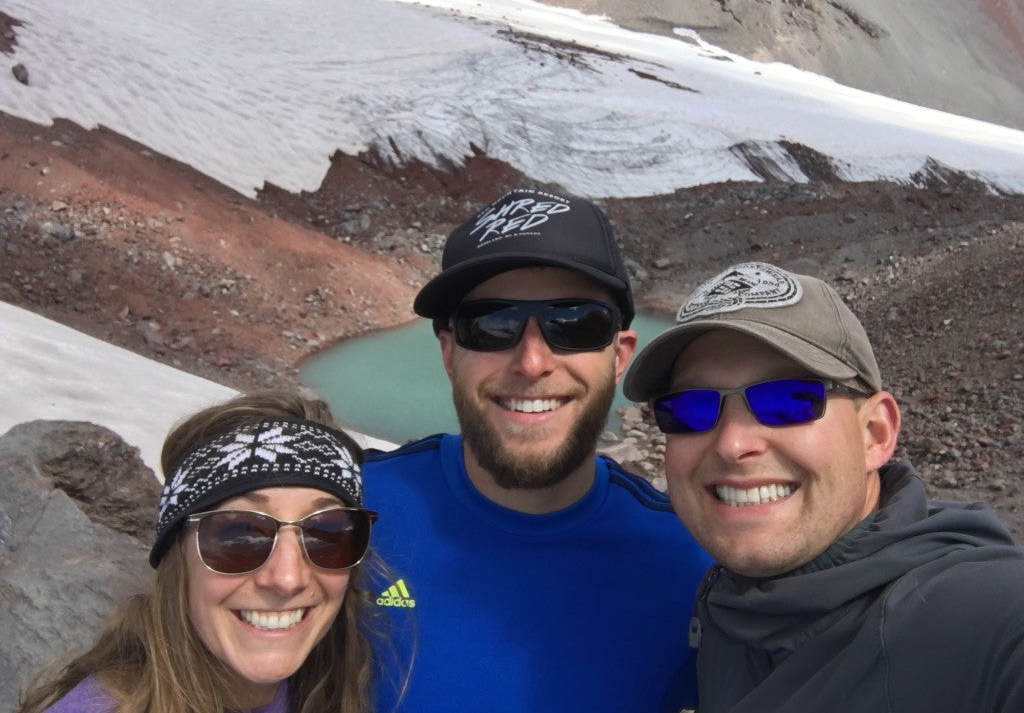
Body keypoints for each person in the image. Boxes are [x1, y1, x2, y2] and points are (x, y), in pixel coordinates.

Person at [362, 188, 712, 713]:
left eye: (575, 324)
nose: (532, 362)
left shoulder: (692, 563)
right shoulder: (343, 518)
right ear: (448, 353)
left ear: (620, 358)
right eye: (491, 324)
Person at [622, 260, 1024, 712]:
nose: (732, 444)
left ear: (875, 434)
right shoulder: (728, 606)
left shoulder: (983, 617)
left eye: (788, 401)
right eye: (689, 409)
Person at [19, 390, 386, 713]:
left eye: (326, 532)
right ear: (177, 557)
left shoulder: (323, 688)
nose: (288, 578)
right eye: (241, 534)